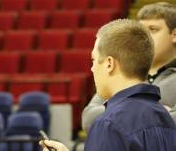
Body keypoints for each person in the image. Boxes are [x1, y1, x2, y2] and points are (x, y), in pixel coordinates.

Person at [40, 19, 176, 151]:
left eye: (94, 60)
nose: (92, 68)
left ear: (109, 64)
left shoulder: (109, 124)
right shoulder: (165, 118)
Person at [82, 2, 176, 133]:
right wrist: (154, 112)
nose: (146, 37)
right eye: (142, 32)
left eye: (153, 30)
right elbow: (89, 118)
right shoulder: (127, 69)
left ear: (174, 35)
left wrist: (119, 111)